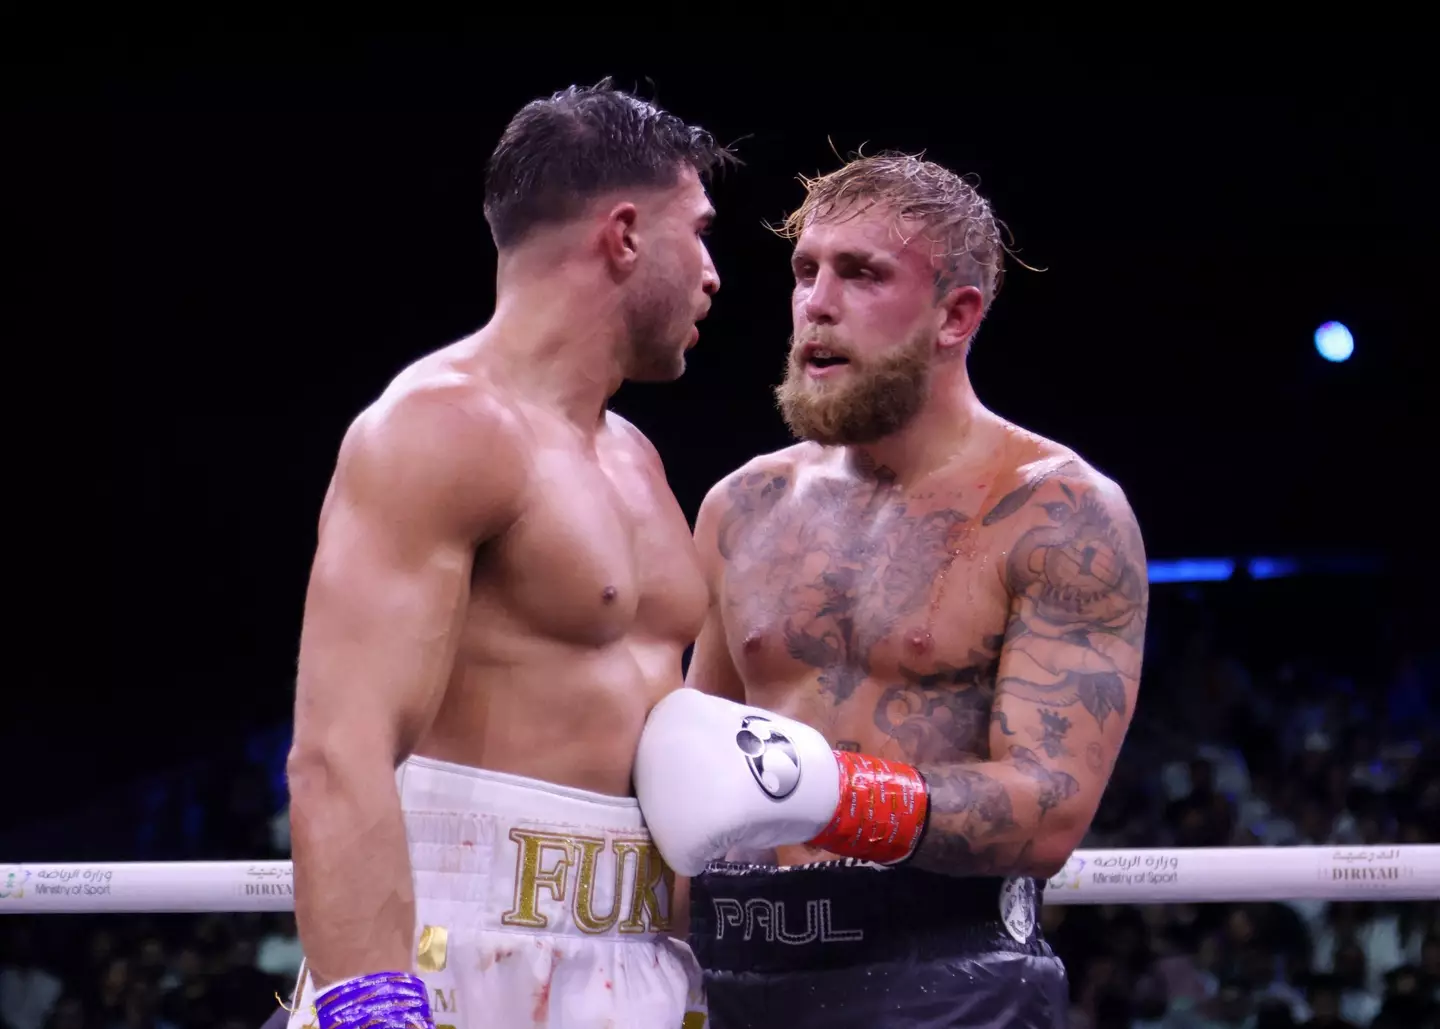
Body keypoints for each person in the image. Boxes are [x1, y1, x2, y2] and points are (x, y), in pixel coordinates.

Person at [634, 151, 1149, 1028]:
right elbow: (691, 764)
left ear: (956, 315)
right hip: (733, 974)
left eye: (861, 273)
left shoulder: (1054, 511)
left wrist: (833, 792)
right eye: (806, 271)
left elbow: (1051, 808)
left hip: (953, 980)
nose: (816, 303)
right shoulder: (742, 505)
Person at [278, 78, 734, 1029]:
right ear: (623, 234)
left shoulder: (639, 460)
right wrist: (370, 1006)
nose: (713, 272)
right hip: (449, 956)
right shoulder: (439, 426)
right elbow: (338, 749)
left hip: (640, 962)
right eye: (699, 230)